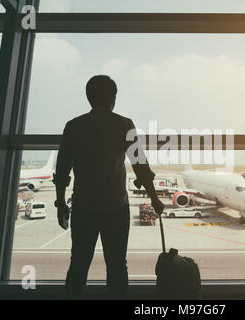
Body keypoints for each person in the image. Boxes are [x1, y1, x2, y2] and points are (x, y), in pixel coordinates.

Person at [54, 75, 164, 299]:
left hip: (84, 207)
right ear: (114, 98)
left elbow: (63, 170)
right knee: (116, 266)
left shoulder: (74, 126)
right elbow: (140, 165)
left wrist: (61, 203)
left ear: (88, 97)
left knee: (78, 265)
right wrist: (154, 198)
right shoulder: (124, 124)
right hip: (116, 207)